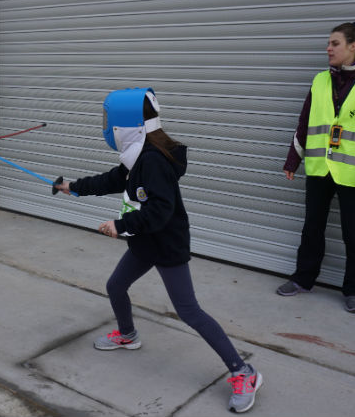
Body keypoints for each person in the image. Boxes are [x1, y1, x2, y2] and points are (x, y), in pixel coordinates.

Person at [55, 88, 263, 414]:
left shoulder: (153, 161)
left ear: (127, 125)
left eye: (110, 120)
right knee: (115, 286)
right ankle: (127, 335)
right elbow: (114, 179)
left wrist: (119, 225)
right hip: (145, 241)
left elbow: (160, 212)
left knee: (189, 311)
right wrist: (74, 187)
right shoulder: (140, 153)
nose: (107, 125)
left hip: (166, 243)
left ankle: (243, 371)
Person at [277, 22, 355, 313]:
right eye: (329, 44)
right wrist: (293, 159)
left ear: (353, 46)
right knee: (311, 228)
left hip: (354, 174)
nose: (328, 49)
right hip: (319, 168)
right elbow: (304, 123)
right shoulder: (320, 80)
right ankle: (303, 278)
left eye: (335, 43)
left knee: (353, 233)